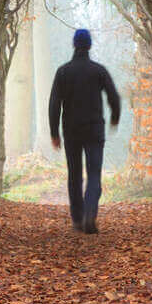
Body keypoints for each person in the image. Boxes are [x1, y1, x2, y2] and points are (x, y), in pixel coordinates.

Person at [49, 28, 121, 234]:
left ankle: (78, 219)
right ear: (89, 45)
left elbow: (54, 104)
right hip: (94, 130)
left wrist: (54, 133)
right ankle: (90, 213)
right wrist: (114, 118)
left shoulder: (63, 72)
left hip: (71, 130)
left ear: (74, 45)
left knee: (74, 175)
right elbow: (114, 97)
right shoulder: (98, 71)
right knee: (94, 174)